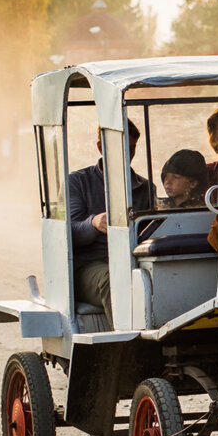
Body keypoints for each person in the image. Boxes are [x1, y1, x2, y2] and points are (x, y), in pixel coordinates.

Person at [68, 122, 155, 319]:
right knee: (113, 280)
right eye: (120, 148)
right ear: (101, 147)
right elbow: (70, 234)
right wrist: (93, 223)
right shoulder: (77, 182)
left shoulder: (145, 188)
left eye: (131, 149)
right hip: (89, 267)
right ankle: (127, 345)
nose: (126, 154)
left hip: (134, 261)